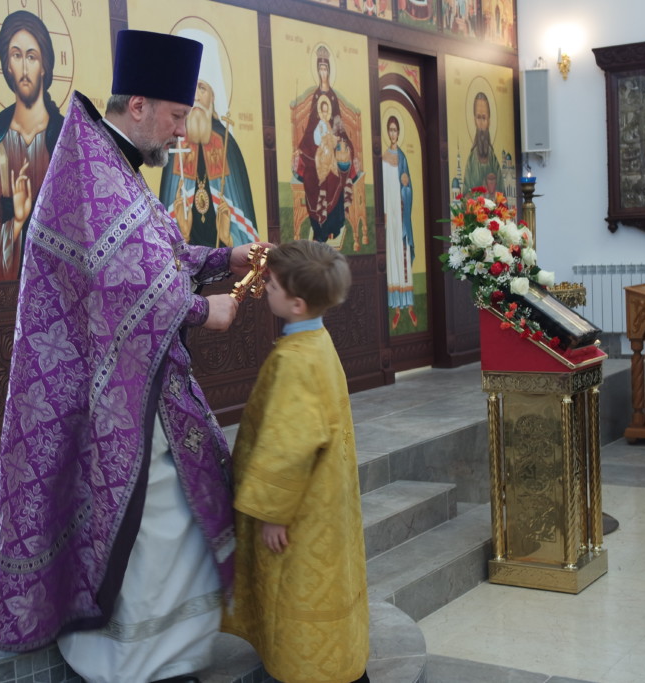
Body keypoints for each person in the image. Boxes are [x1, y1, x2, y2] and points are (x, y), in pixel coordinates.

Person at [0, 29, 267, 683]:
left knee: (176, 512)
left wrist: (226, 258)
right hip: (103, 392)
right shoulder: (94, 171)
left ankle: (169, 654)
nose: (181, 133)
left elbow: (159, 255)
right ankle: (134, 661)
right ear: (138, 105)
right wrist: (203, 310)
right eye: (175, 116)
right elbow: (132, 282)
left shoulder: (112, 165)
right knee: (152, 518)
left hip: (131, 381)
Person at [223, 240, 370, 683]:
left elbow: (290, 445)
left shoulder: (294, 360)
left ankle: (303, 672)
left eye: (273, 286)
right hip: (322, 497)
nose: (265, 289)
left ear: (297, 303)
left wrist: (273, 514)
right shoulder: (319, 341)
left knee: (295, 590)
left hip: (298, 513)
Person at [0, 10, 64, 282]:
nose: (25, 69)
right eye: (16, 56)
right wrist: (17, 222)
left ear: (44, 65)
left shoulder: (66, 138)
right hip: (13, 295)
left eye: (32, 56)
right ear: (8, 66)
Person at [159, 31, 259, 249]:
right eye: (191, 88)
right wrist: (182, 235)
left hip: (225, 255)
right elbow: (168, 207)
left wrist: (229, 238)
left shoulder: (226, 144)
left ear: (213, 96)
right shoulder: (176, 142)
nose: (195, 96)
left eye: (202, 88)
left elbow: (242, 219)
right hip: (187, 255)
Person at [293, 45, 358, 243]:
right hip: (317, 154)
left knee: (336, 173)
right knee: (314, 175)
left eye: (326, 69)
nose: (323, 73)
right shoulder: (315, 97)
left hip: (332, 151)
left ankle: (334, 225)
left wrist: (340, 143)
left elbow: (339, 126)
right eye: (320, 69)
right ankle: (319, 227)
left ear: (329, 71)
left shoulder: (333, 98)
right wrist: (307, 149)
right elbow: (310, 130)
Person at [382, 115, 416, 331]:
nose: (393, 133)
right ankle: (396, 308)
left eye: (396, 130)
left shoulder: (402, 157)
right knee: (392, 257)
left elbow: (408, 188)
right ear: (388, 132)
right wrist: (385, 212)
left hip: (401, 215)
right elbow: (383, 187)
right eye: (390, 130)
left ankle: (409, 305)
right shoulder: (383, 158)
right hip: (390, 215)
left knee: (403, 256)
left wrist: (405, 188)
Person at [464, 91, 501, 197]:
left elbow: (502, 194)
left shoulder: (493, 160)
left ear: (489, 121)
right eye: (478, 117)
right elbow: (465, 195)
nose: (481, 124)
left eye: (484, 118)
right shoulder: (471, 160)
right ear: (474, 120)